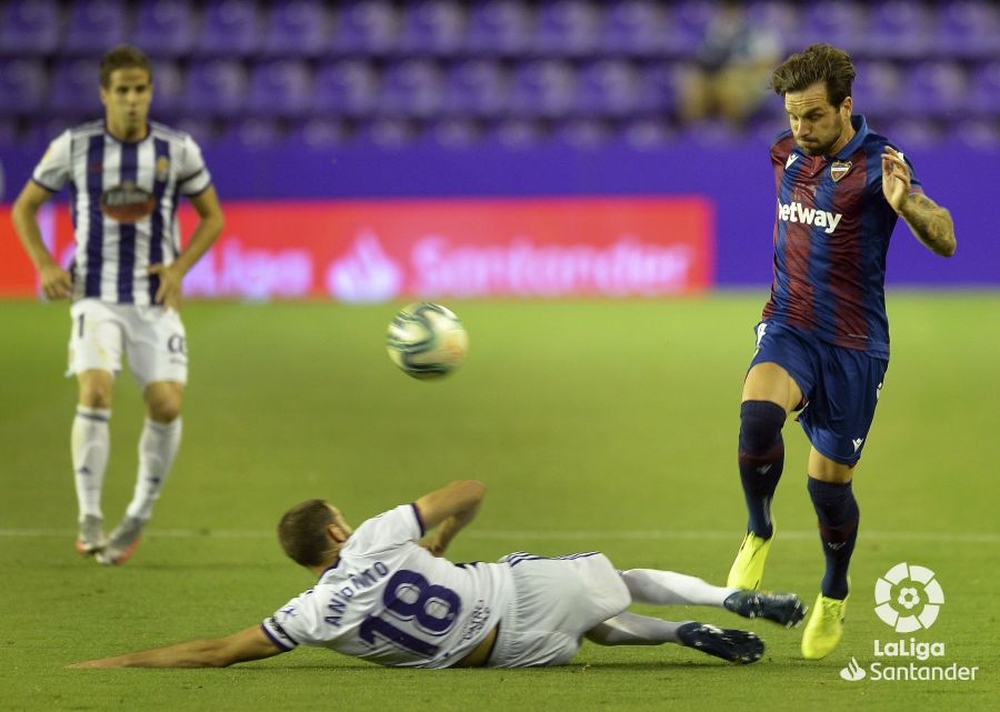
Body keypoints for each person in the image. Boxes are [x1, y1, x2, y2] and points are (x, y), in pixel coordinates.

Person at [725, 44, 957, 660]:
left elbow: (947, 238)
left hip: (855, 347)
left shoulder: (882, 161)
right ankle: (758, 529)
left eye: (814, 117)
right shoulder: (783, 152)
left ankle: (834, 590)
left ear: (846, 107)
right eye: (794, 116)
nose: (800, 130)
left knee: (829, 489)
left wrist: (906, 204)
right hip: (789, 325)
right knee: (757, 418)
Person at [71, 480, 806, 669]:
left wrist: (120, 658)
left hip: (503, 658)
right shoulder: (374, 540)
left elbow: (219, 653)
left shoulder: (312, 613)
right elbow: (469, 491)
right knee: (629, 574)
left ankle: (684, 634)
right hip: (512, 593)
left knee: (600, 632)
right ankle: (733, 596)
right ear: (336, 531)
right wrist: (438, 534)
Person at [10, 46, 224, 566]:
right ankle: (89, 516)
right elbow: (25, 207)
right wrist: (44, 263)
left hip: (153, 298)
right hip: (96, 295)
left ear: (150, 92)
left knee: (167, 405)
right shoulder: (75, 146)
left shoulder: (178, 149)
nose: (133, 100)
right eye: (123, 90)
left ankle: (137, 516)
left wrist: (177, 270)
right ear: (105, 94)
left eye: (141, 90)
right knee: (97, 389)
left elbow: (212, 217)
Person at [677, 1, 781, 129]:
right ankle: (695, 132)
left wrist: (739, 70)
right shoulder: (716, 32)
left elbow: (767, 64)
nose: (728, 14)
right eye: (725, 9)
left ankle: (732, 132)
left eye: (732, 9)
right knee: (693, 83)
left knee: (731, 84)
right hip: (719, 77)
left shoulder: (759, 32)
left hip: (752, 82)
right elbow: (705, 59)